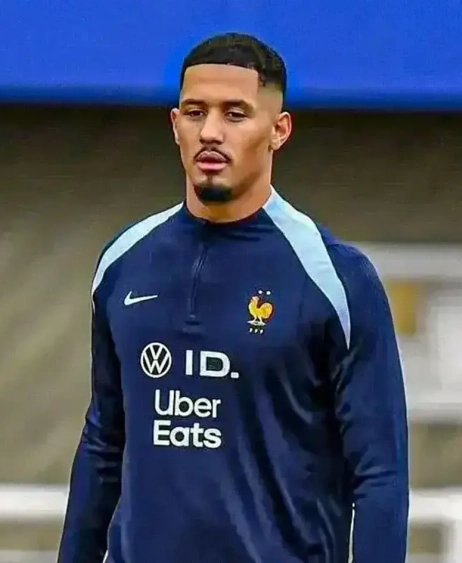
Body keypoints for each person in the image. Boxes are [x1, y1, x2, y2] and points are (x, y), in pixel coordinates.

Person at [57, 32, 409, 563]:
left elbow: (380, 474)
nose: (211, 132)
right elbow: (104, 441)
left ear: (279, 130)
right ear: (175, 125)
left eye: (235, 114)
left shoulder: (336, 279)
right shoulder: (123, 262)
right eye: (195, 112)